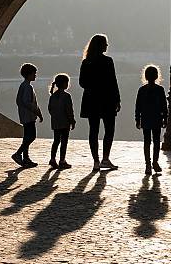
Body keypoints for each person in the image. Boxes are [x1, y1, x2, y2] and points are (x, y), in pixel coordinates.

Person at [79, 34, 120, 172]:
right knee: (109, 130)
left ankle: (96, 161)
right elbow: (113, 82)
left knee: (93, 131)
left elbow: (82, 83)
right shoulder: (108, 61)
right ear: (101, 45)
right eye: (105, 43)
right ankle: (105, 158)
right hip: (107, 100)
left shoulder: (86, 62)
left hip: (91, 100)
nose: (107, 46)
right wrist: (117, 99)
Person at [135, 65, 168, 175]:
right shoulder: (160, 90)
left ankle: (148, 164)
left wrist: (137, 119)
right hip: (156, 118)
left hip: (145, 118)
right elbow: (164, 106)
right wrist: (165, 118)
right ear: (157, 76)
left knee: (147, 142)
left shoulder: (141, 90)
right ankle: (155, 162)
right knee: (156, 141)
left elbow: (138, 106)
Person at [11, 63, 43, 168]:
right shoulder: (27, 87)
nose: (35, 75)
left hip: (25, 116)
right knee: (31, 136)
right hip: (29, 116)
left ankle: (26, 158)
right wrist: (37, 112)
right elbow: (27, 102)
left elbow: (18, 101)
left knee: (27, 137)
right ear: (29, 74)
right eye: (34, 73)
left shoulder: (24, 85)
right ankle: (18, 154)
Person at [48, 73, 76, 170]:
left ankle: (52, 159)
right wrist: (72, 121)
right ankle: (62, 160)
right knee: (64, 142)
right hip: (65, 123)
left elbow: (50, 109)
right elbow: (69, 110)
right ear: (64, 84)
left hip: (55, 122)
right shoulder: (67, 96)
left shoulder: (52, 96)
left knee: (56, 141)